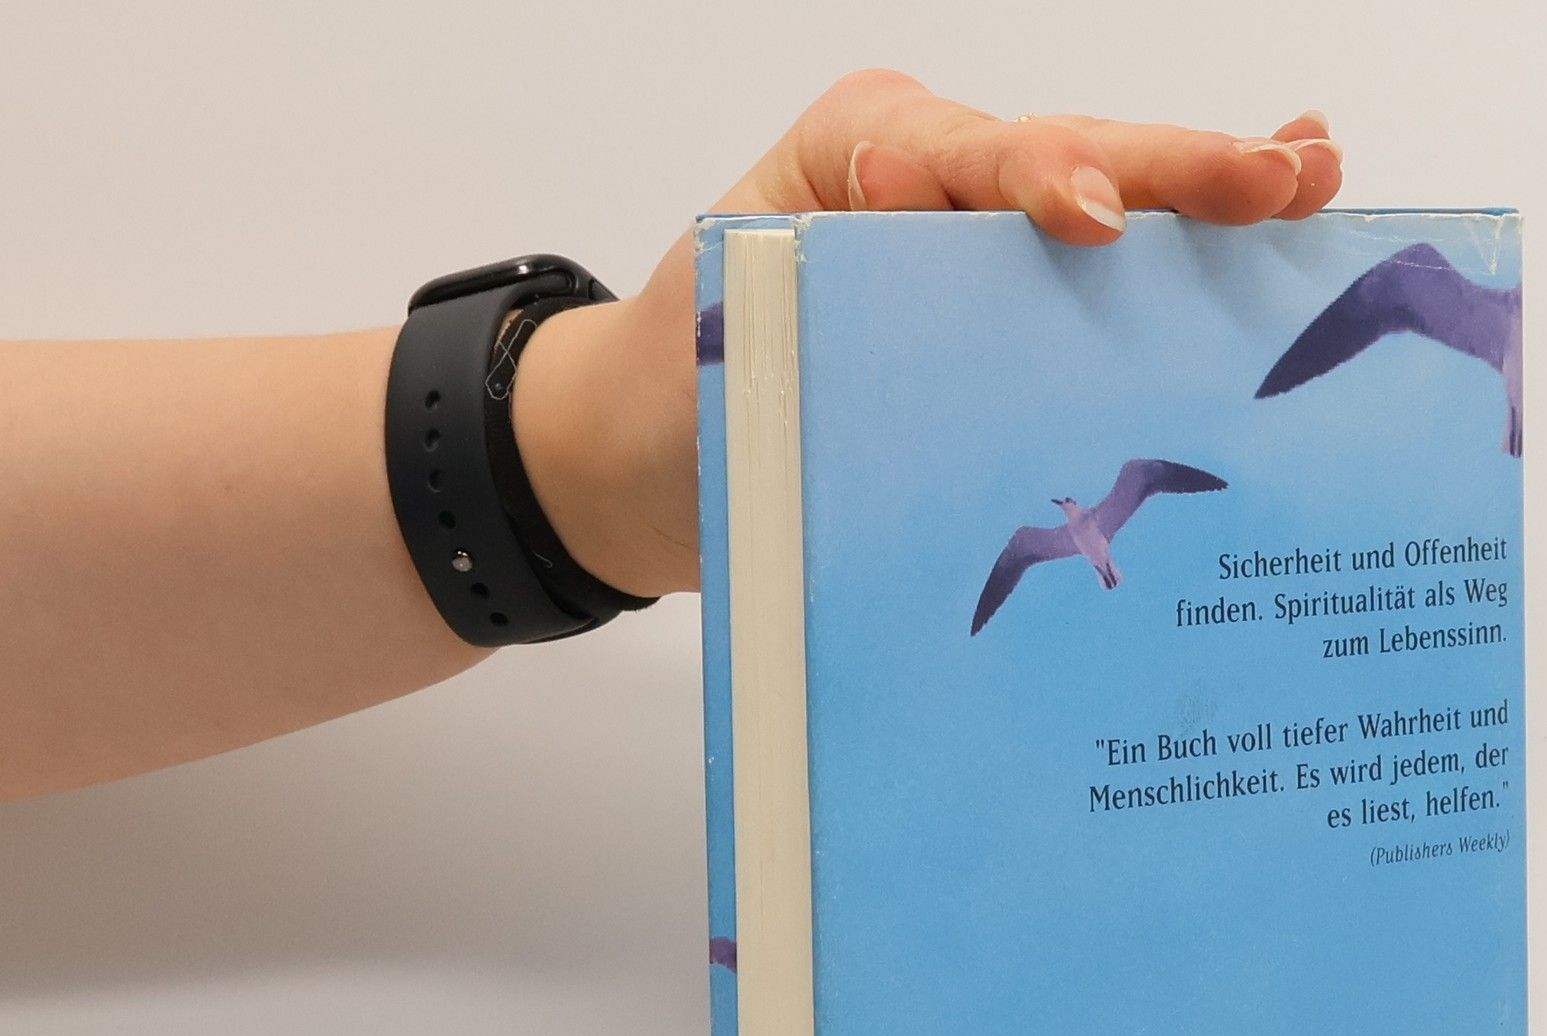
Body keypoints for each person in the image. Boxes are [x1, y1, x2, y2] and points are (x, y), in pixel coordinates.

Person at [0, 71, 1342, 803]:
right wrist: (589, 462)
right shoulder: (1050, 538)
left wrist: (595, 448)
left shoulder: (1114, 500)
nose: (1075, 524)